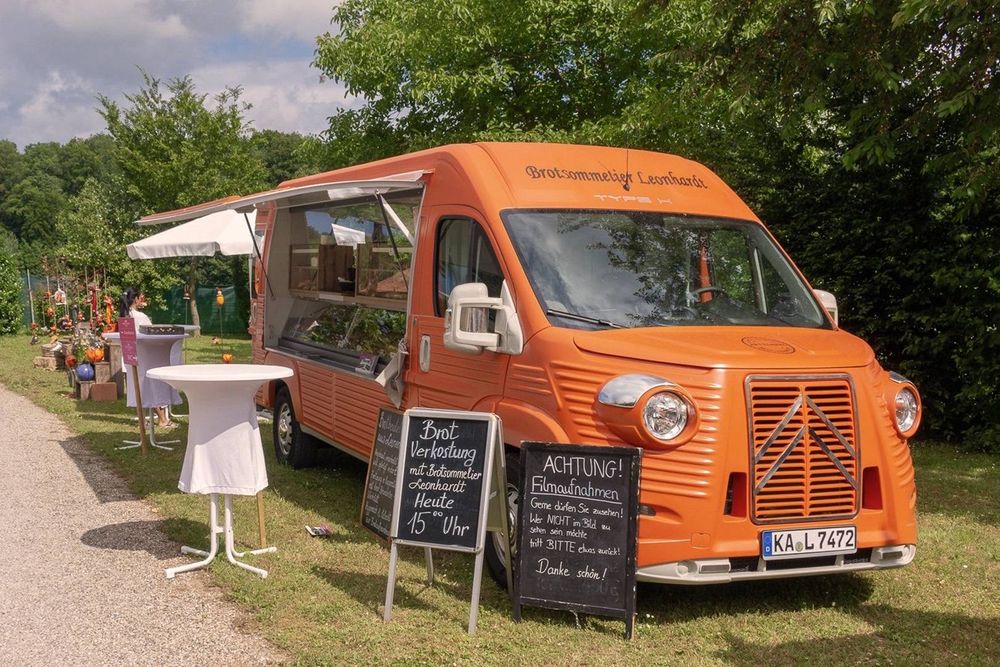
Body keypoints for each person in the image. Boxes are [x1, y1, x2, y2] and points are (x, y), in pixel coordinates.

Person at [119, 287, 174, 428]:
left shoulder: (124, 316)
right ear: (136, 299)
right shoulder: (140, 316)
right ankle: (162, 419)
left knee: (136, 387)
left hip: (130, 355)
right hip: (146, 356)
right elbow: (152, 334)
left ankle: (143, 420)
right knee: (151, 386)